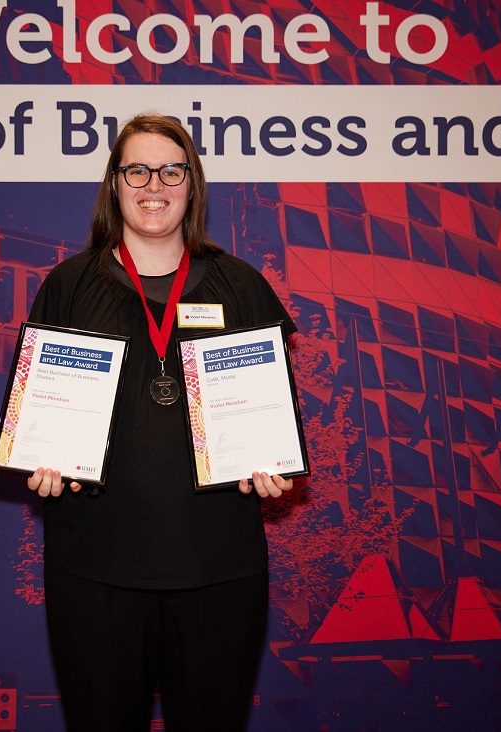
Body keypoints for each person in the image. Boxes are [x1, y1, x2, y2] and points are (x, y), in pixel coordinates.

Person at [24, 113, 297, 731]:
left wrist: (273, 464)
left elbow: (276, 409)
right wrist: (37, 460)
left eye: (172, 170)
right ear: (115, 184)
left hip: (218, 571)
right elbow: (37, 412)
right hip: (95, 571)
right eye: (138, 169)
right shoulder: (68, 286)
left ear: (192, 185)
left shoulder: (241, 286)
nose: (155, 184)